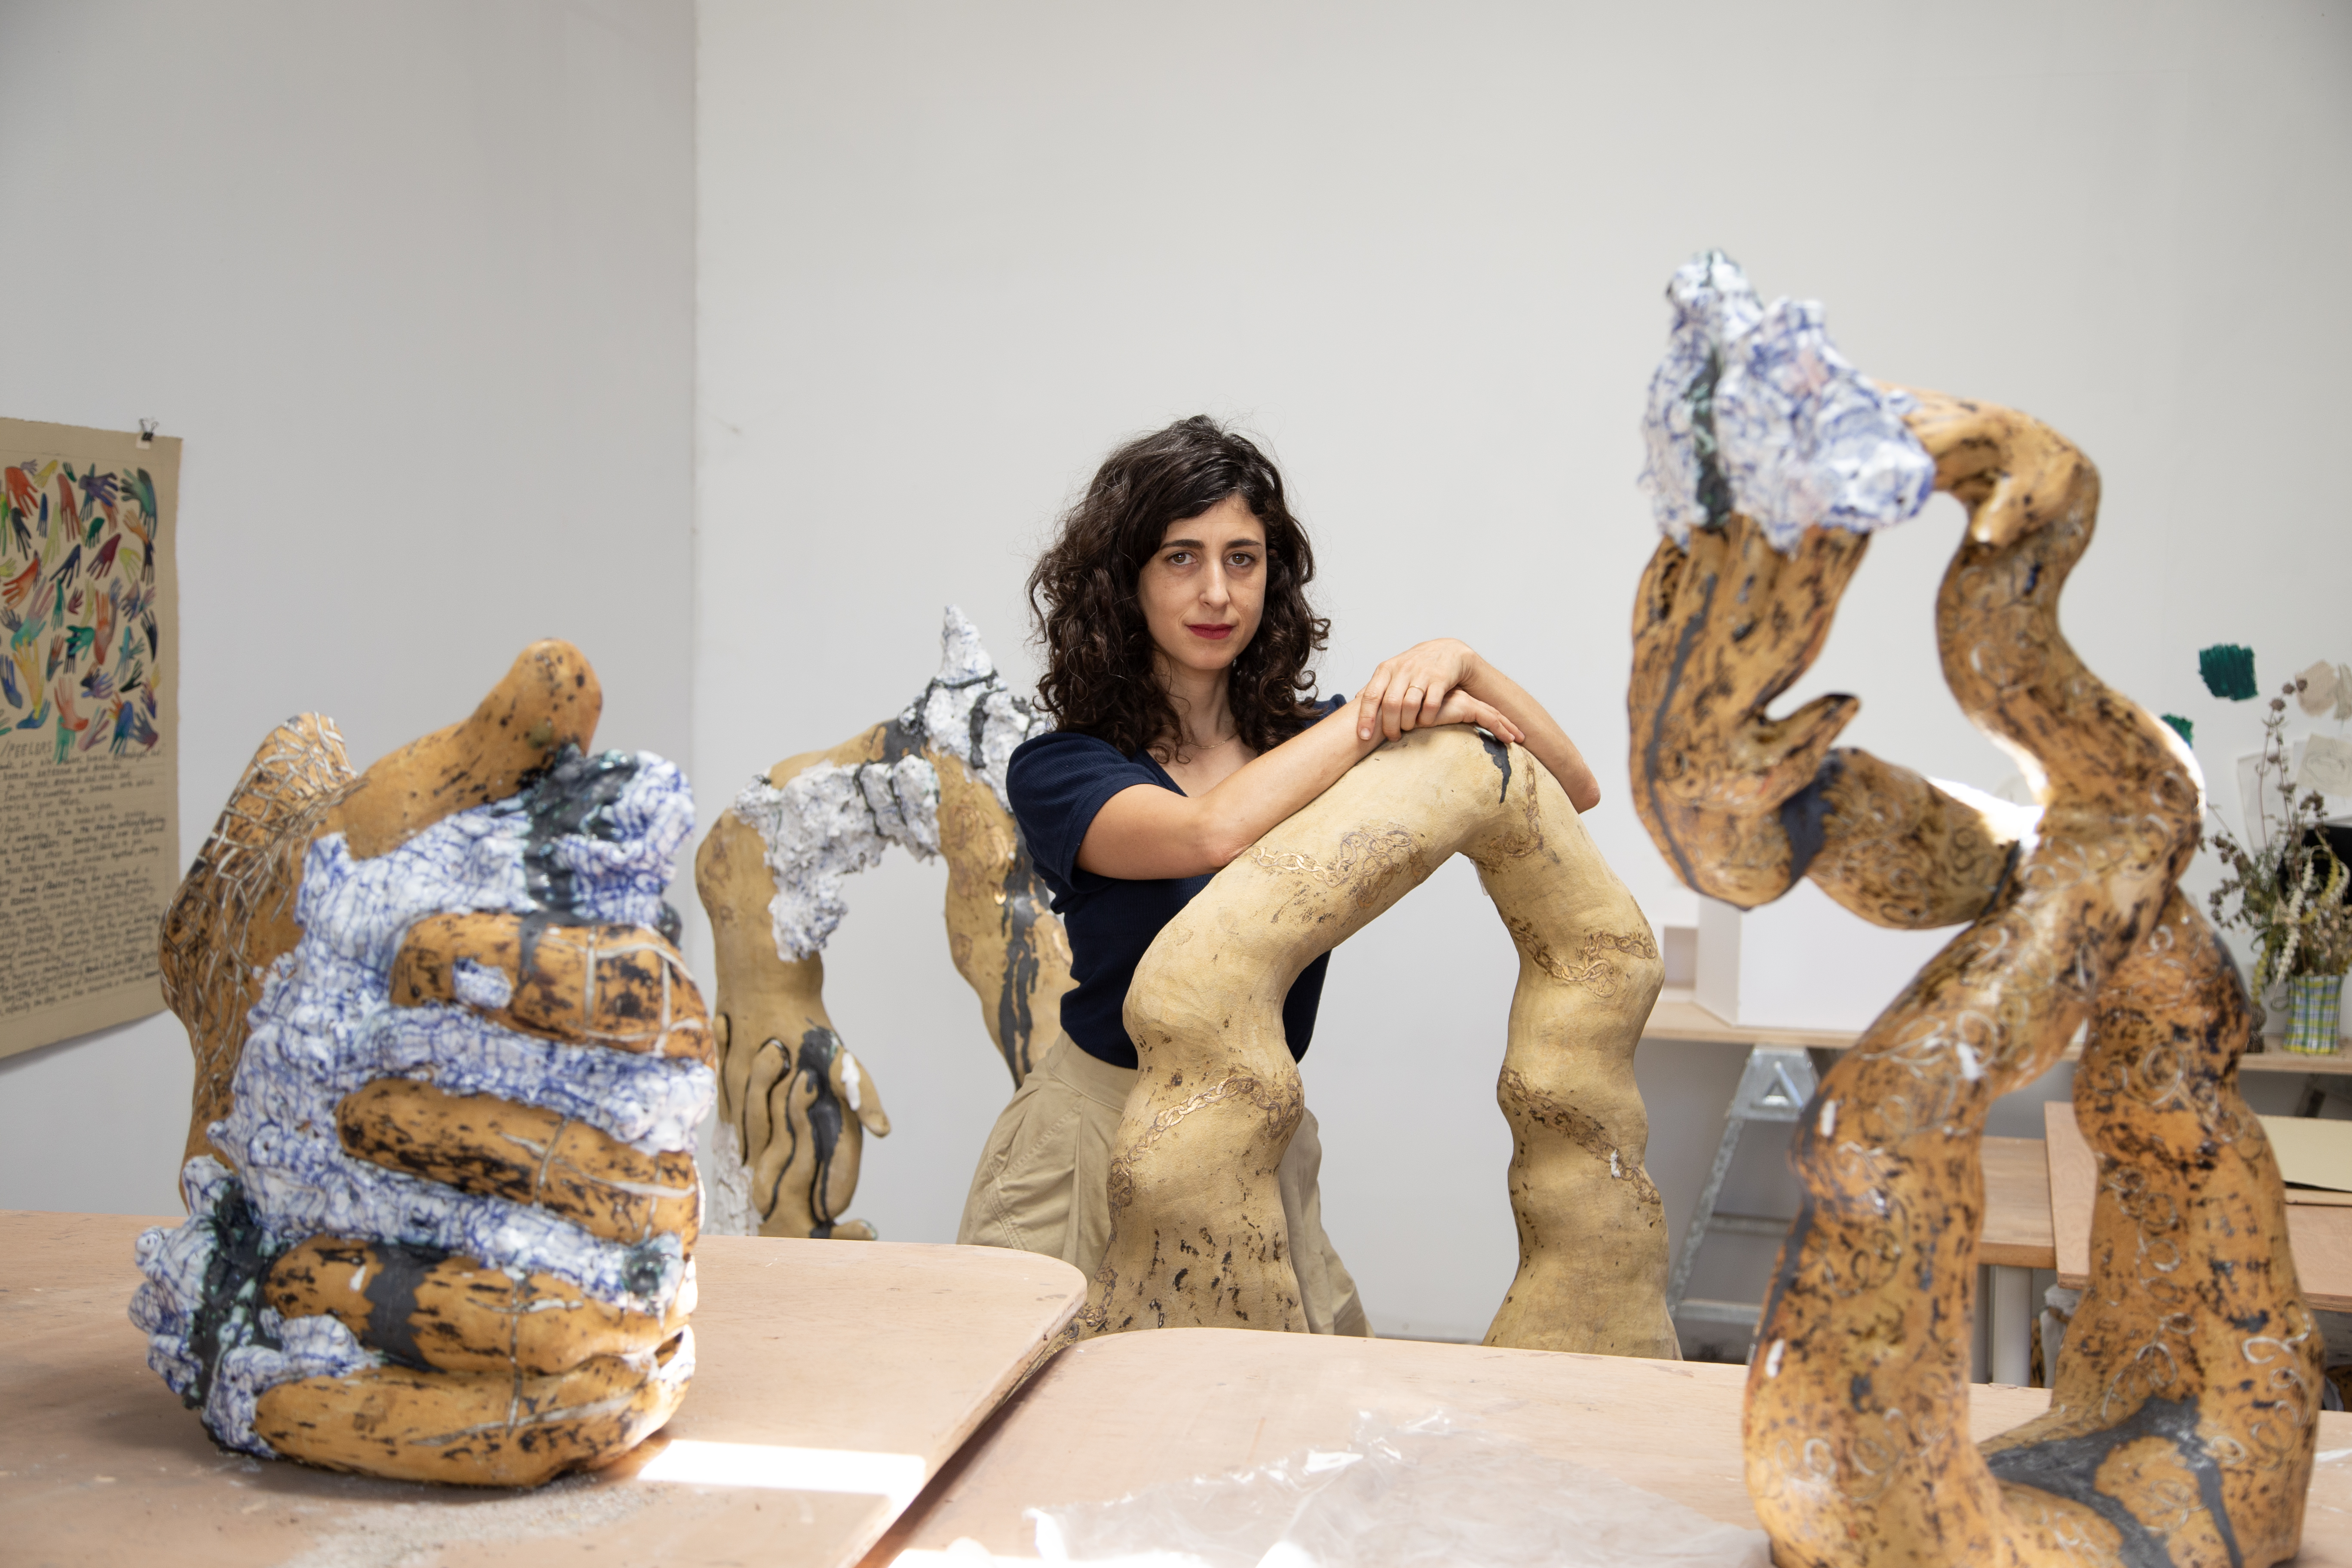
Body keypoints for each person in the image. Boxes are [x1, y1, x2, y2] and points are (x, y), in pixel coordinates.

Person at [956, 416, 1600, 1334]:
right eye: (1181, 557)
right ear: (1124, 580)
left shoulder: (1312, 745)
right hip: (1091, 1136)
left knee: (1269, 1437)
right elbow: (1208, 833)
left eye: (1244, 558)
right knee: (1049, 1431)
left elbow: (1571, 787)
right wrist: (1380, 717)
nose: (1218, 591)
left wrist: (1459, 659)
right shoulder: (1062, 769)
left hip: (1262, 1132)